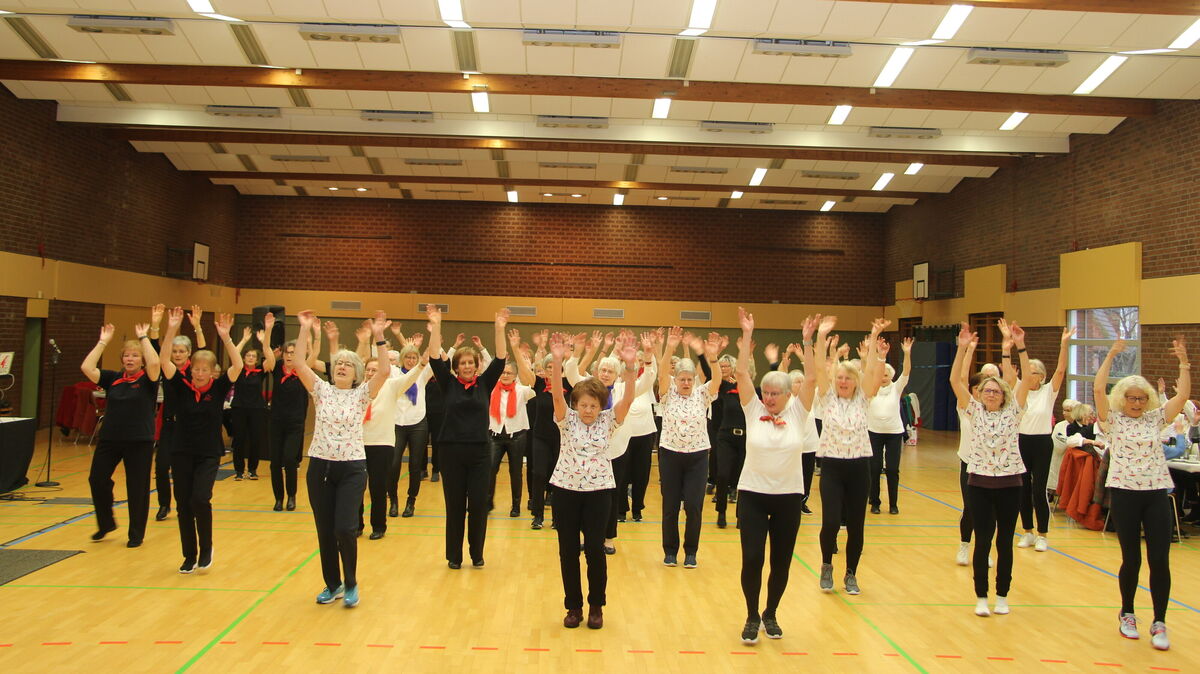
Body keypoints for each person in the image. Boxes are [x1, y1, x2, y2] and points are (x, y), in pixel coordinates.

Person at [291, 309, 392, 607]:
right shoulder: (321, 390)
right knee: (325, 530)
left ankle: (350, 582)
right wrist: (304, 329)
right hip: (320, 468)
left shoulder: (362, 394)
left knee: (344, 528)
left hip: (351, 469)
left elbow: (385, 371)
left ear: (358, 373)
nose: (343, 366)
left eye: (349, 364)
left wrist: (379, 336)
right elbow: (297, 363)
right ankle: (332, 583)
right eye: (339, 363)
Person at [1095, 337, 1189, 651]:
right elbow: (1097, 391)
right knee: (1131, 558)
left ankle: (1160, 621)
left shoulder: (1155, 418)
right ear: (1123, 399)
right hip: (1124, 494)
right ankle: (1128, 613)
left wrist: (1184, 363)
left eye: (1141, 398)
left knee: (1160, 559)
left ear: (1147, 399)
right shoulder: (1113, 421)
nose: (1136, 403)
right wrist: (1110, 354)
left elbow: (1184, 396)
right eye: (1131, 398)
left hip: (1155, 493)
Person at [734, 308, 816, 645]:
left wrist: (809, 342)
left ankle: (771, 613)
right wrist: (747, 335)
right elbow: (740, 373)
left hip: (788, 497)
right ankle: (752, 615)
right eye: (765, 392)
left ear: (786, 395)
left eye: (774, 393)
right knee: (753, 558)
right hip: (752, 494)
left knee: (781, 562)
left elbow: (811, 379)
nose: (768, 398)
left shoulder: (798, 411)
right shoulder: (753, 410)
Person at [548, 332, 637, 630]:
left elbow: (628, 398)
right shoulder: (566, 418)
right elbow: (557, 394)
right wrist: (558, 359)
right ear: (577, 405)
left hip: (599, 493)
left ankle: (596, 604)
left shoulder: (609, 420)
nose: (588, 410)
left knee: (596, 550)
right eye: (584, 405)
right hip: (566, 491)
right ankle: (574, 606)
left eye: (593, 405)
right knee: (568, 549)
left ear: (601, 406)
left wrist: (630, 366)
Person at [950, 321, 1035, 617]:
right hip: (980, 483)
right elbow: (955, 381)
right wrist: (962, 349)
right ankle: (981, 596)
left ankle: (1002, 595)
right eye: (986, 390)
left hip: (1010, 483)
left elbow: (1022, 380)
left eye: (995, 390)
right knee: (983, 540)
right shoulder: (973, 411)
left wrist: (1018, 346)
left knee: (1005, 542)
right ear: (980, 394)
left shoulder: (1013, 412)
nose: (990, 393)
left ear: (1003, 395)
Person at [425, 305, 509, 569]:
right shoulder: (447, 383)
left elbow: (501, 358)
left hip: (480, 453)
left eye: (471, 363)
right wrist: (436, 324)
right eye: (463, 363)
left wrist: (499, 328)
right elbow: (434, 358)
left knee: (479, 506)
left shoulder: (484, 384)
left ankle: (477, 553)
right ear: (457, 367)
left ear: (476, 366)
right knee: (455, 506)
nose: (467, 366)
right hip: (451, 452)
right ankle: (454, 556)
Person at [159, 307, 242, 574]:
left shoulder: (218, 389)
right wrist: (171, 329)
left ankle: (206, 548)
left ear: (213, 371)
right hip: (181, 450)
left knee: (199, 499)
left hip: (208, 452)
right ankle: (189, 554)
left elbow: (238, 365)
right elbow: (163, 362)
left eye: (205, 369)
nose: (199, 373)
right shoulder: (181, 385)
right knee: (183, 504)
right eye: (196, 369)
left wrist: (227, 338)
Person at [814, 315, 890, 596]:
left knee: (856, 525)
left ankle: (851, 573)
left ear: (855, 382)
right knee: (832, 521)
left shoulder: (864, 398)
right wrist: (821, 336)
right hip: (832, 467)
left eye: (848, 378)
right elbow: (821, 368)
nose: (843, 381)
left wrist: (875, 338)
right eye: (840, 378)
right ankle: (826, 565)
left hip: (860, 467)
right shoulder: (827, 396)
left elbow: (872, 373)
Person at [81, 321, 161, 547]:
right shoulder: (112, 378)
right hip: (110, 439)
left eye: (135, 356)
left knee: (137, 488)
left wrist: (144, 339)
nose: (130, 359)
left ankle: (136, 534)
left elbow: (155, 362)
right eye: (127, 355)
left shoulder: (148, 379)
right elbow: (87, 367)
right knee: (96, 479)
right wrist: (103, 342)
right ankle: (106, 523)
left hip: (139, 441)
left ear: (141, 359)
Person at [656, 328, 723, 567]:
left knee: (694, 506)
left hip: (697, 457)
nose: (685, 383)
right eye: (681, 379)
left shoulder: (702, 394)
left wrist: (712, 357)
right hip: (670, 455)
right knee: (670, 506)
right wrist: (670, 348)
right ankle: (670, 551)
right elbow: (662, 373)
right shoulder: (667, 394)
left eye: (689, 379)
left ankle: (691, 551)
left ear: (694, 380)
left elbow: (717, 379)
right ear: (675, 380)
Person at [1013, 325, 1074, 552]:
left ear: (1041, 376)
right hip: (1021, 442)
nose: (1028, 375)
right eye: (1026, 371)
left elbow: (1061, 369)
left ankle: (1042, 534)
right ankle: (1027, 531)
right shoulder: (1019, 390)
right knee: (1022, 489)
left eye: (1033, 372)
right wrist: (1016, 346)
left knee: (1038, 490)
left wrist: (1064, 344)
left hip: (1041, 443)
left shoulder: (1049, 391)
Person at [148, 303, 206, 522]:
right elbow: (155, 351)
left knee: (187, 470)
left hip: (191, 427)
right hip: (170, 425)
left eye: (182, 351)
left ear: (189, 353)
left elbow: (203, 349)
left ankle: (189, 502)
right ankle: (164, 504)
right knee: (162, 467)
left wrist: (198, 327)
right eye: (174, 351)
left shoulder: (196, 369)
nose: (178, 354)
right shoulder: (167, 368)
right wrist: (156, 325)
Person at [361, 352, 427, 539]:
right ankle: (357, 524)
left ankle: (378, 526)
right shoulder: (358, 389)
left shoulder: (391, 387)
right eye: (368, 370)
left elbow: (410, 378)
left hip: (381, 444)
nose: (371, 373)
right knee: (357, 487)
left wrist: (421, 365)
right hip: (358, 444)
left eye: (375, 370)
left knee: (377, 487)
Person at [488, 329, 536, 517]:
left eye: (509, 373)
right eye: (503, 372)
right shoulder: (492, 389)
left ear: (515, 375)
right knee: (490, 469)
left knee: (516, 472)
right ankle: (487, 502)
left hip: (517, 437)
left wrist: (516, 350)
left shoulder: (522, 390)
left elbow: (532, 382)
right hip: (495, 436)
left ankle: (516, 505)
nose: (505, 375)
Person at [867, 337, 913, 515]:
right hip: (874, 433)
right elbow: (868, 368)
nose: (884, 378)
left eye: (886, 375)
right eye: (882, 375)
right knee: (874, 468)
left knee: (892, 469)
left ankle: (893, 504)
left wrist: (907, 353)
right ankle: (875, 502)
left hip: (894, 433)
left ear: (891, 376)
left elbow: (907, 371)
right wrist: (878, 355)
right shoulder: (871, 389)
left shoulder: (896, 387)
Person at [392, 342, 433, 518]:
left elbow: (433, 357)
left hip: (417, 424)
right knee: (392, 464)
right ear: (402, 359)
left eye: (414, 357)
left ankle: (411, 501)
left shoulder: (422, 374)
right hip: (396, 424)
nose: (410, 360)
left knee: (415, 465)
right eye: (407, 357)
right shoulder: (394, 373)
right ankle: (393, 501)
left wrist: (433, 336)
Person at [230, 329, 268, 481]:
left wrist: (264, 341)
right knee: (239, 440)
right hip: (239, 408)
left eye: (253, 356)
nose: (251, 358)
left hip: (257, 409)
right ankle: (239, 471)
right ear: (244, 358)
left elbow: (270, 358)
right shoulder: (238, 370)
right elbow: (233, 354)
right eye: (248, 355)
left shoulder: (260, 372)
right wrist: (244, 340)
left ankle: (252, 469)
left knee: (255, 440)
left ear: (257, 359)